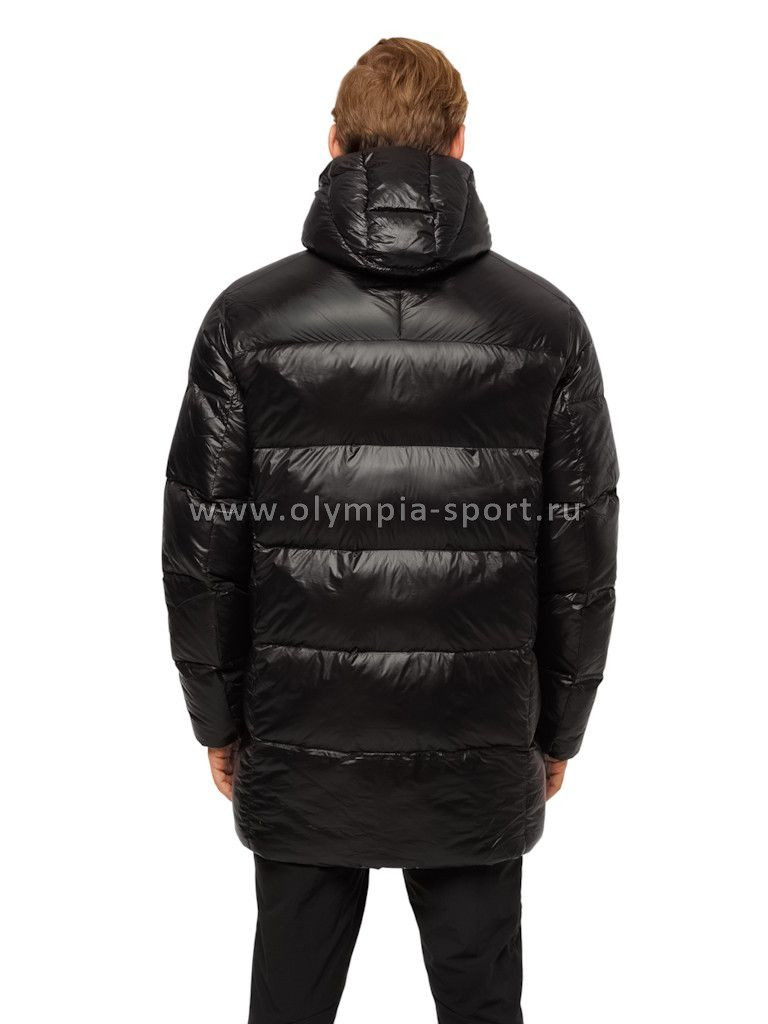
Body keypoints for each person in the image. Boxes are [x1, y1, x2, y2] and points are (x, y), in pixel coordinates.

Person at [162, 37, 619, 1024]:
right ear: (460, 143)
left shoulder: (247, 319)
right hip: (476, 738)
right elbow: (581, 561)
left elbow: (202, 554)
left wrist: (218, 718)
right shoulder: (544, 325)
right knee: (481, 1000)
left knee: (289, 1001)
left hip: (300, 735)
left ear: (333, 142)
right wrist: (558, 729)